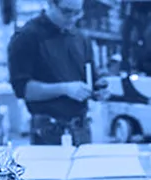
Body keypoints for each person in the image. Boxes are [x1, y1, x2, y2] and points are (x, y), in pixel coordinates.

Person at [7, 0, 94, 146]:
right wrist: (65, 89)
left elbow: (91, 79)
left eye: (77, 12)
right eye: (66, 12)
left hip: (81, 129)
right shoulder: (26, 37)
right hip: (48, 131)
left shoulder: (80, 38)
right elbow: (23, 89)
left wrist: (99, 89)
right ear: (51, 4)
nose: (72, 18)